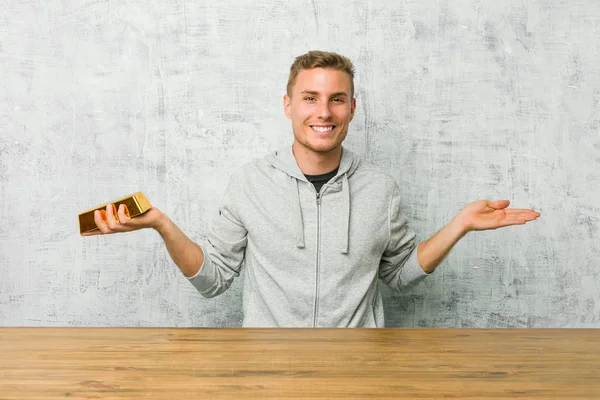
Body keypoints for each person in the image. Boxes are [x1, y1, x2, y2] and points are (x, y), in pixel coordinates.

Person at [82, 50, 540, 327]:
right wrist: (162, 224)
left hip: (360, 369)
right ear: (288, 105)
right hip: (268, 370)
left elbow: (399, 276)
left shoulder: (381, 188)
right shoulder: (250, 183)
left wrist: (459, 225)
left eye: (336, 99)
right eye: (310, 98)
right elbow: (213, 280)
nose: (324, 112)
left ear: (352, 108)